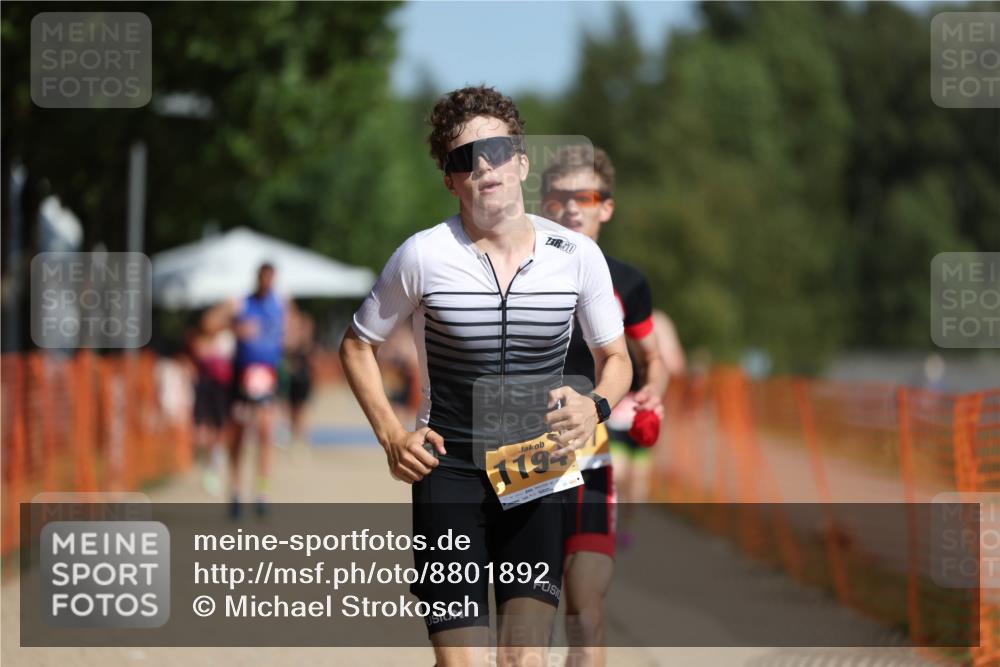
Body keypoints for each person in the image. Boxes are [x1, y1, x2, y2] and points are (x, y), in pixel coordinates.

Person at [339, 86, 632, 667]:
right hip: (447, 470)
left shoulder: (575, 256)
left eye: (496, 150)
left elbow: (616, 358)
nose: (484, 167)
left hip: (536, 463)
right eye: (463, 159)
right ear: (450, 180)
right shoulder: (423, 255)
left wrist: (595, 405)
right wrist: (392, 436)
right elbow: (356, 346)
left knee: (523, 658)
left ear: (522, 160)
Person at [540, 145, 669, 667]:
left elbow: (651, 357)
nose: (572, 208)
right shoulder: (515, 273)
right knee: (525, 621)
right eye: (560, 197)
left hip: (591, 456)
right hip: (524, 456)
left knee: (586, 614)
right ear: (545, 205)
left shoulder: (629, 282)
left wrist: (651, 392)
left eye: (585, 197)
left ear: (605, 207)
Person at [221, 262, 288, 518]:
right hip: (242, 375)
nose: (267, 283)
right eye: (264, 278)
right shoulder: (242, 303)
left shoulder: (279, 305)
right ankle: (236, 491)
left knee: (265, 434)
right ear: (258, 278)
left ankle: (262, 492)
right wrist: (235, 327)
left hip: (267, 375)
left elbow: (294, 332)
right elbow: (212, 324)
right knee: (238, 434)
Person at [187, 312, 236, 496]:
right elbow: (199, 356)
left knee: (221, 425)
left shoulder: (227, 339)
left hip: (224, 388)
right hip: (206, 387)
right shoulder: (200, 340)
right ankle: (210, 460)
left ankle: (216, 456)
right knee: (206, 427)